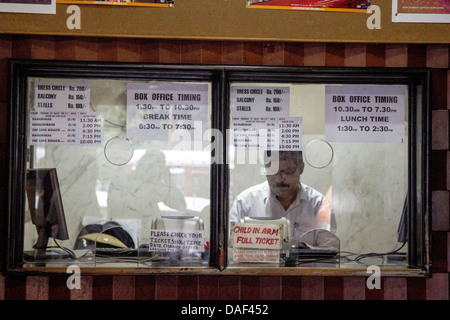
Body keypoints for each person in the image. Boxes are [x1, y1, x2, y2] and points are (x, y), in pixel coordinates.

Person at [229, 150, 337, 249]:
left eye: (287, 172)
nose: (278, 179)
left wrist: (301, 248)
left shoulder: (319, 204)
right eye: (272, 172)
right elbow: (230, 247)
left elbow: (331, 249)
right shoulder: (244, 202)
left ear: (301, 168)